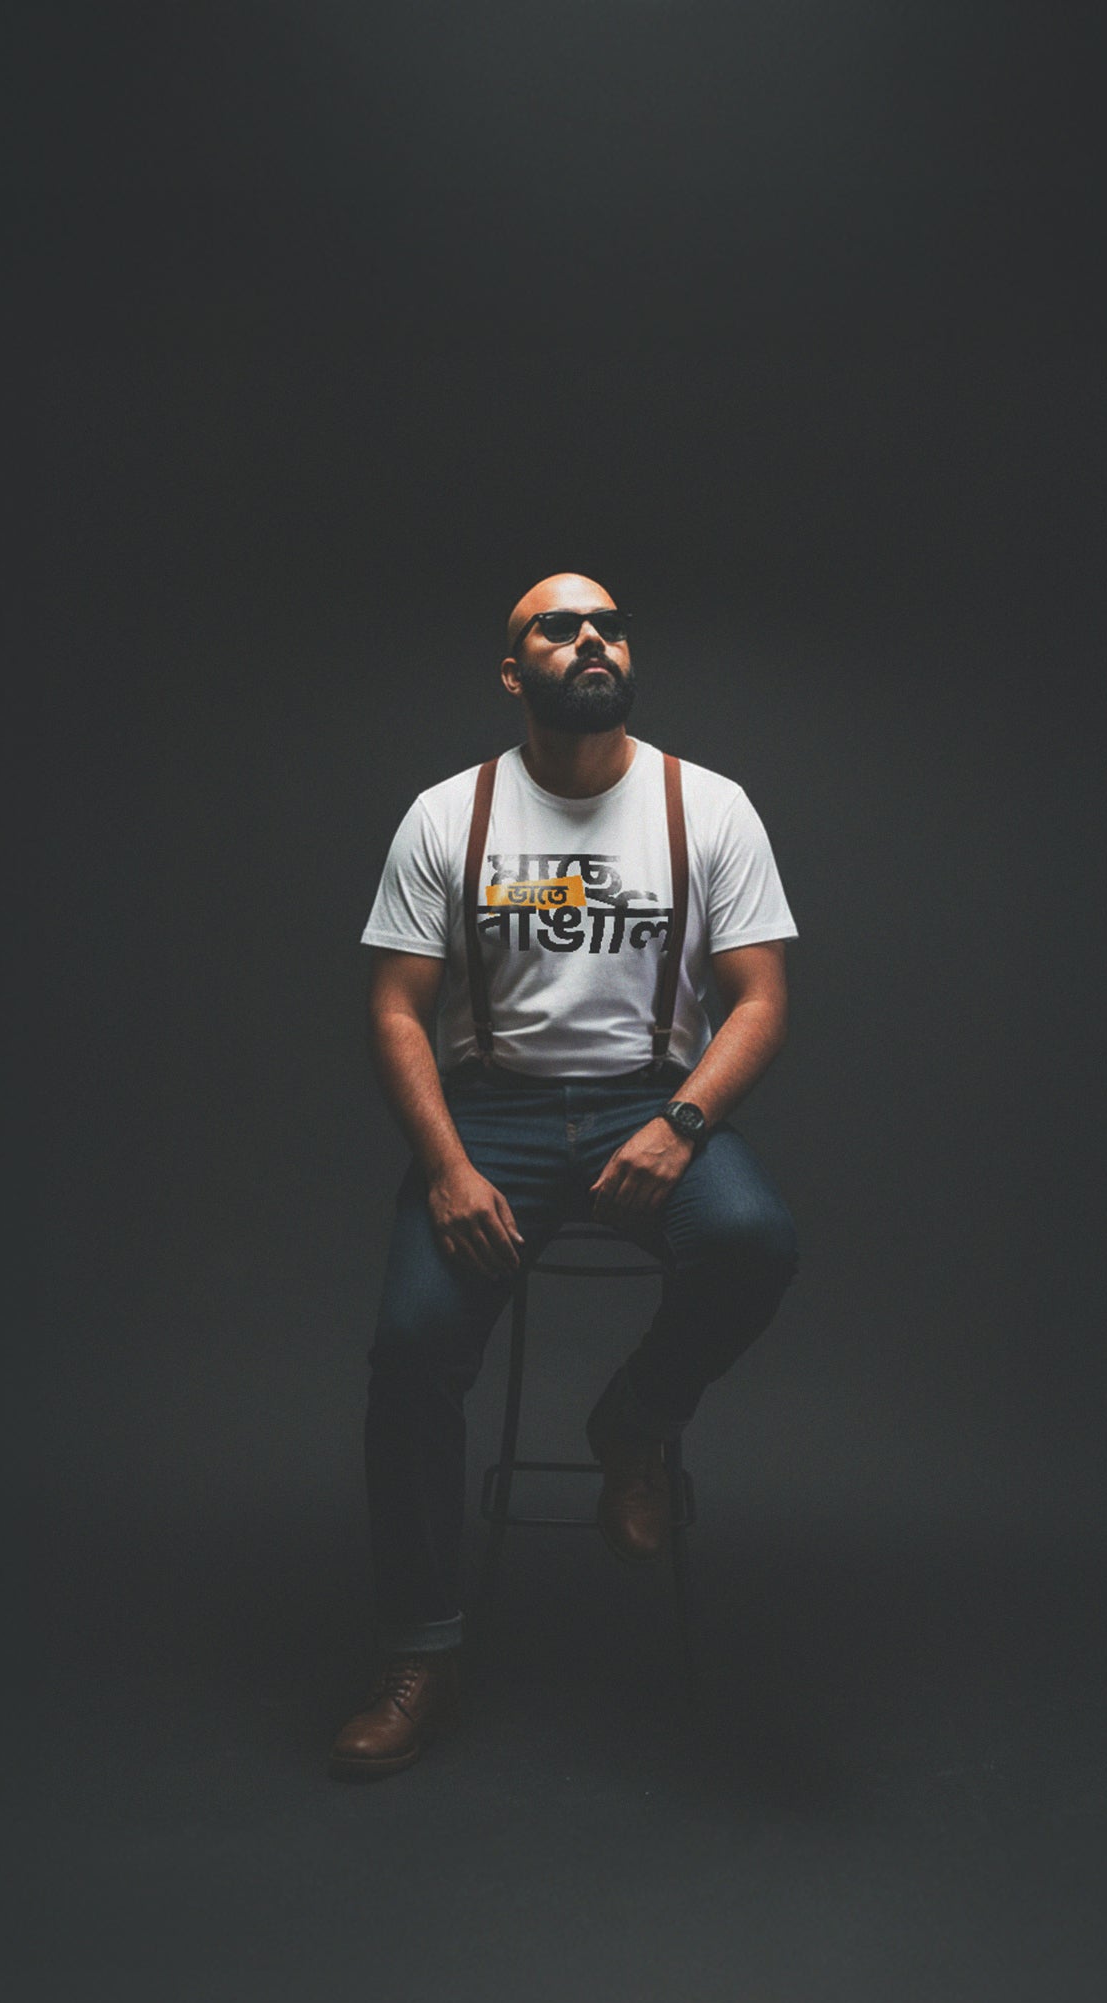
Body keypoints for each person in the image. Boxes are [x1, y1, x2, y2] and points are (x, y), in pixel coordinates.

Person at [332, 573, 803, 1778]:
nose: (590, 637)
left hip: (654, 1101)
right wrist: (444, 1167)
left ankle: (633, 1425)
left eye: (607, 623)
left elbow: (759, 1000)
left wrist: (683, 1122)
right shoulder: (449, 815)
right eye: (557, 625)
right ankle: (421, 1650)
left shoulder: (710, 808)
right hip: (491, 1114)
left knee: (751, 1239)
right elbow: (394, 1011)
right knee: (411, 1354)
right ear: (514, 670)